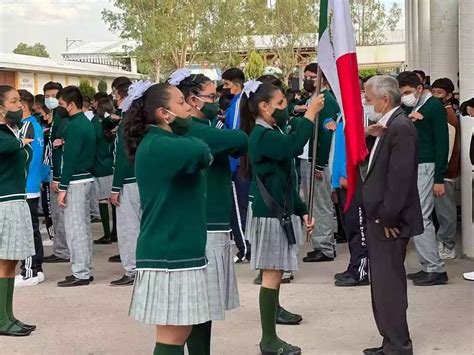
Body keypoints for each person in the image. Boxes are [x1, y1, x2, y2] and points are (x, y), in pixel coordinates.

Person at [124, 82, 212, 355]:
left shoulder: (164, 141)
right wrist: (192, 130)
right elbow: (201, 151)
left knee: (180, 329)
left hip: (177, 249)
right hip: (168, 253)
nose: (190, 108)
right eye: (182, 103)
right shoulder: (158, 144)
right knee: (172, 334)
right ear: (164, 113)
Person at [171, 70, 248, 354]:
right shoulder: (192, 130)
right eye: (212, 96)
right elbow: (240, 141)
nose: (219, 100)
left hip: (212, 224)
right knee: (198, 307)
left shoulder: (206, 129)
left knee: (206, 307)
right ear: (193, 100)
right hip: (203, 226)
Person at [241, 80, 321, 355]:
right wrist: (309, 116)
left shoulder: (272, 129)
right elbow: (291, 148)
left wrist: (302, 209)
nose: (286, 109)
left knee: (273, 271)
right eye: (281, 104)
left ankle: (275, 310)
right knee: (272, 274)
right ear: (264, 107)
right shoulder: (263, 136)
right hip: (269, 215)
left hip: (279, 211)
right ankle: (268, 340)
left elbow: (286, 181)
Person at [361, 75, 424, 355]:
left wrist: (388, 217)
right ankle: (389, 340)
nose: (366, 102)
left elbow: (399, 178)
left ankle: (398, 345)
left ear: (385, 99)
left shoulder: (401, 127)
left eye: (369, 98)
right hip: (380, 217)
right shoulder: (388, 125)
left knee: (390, 286)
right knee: (382, 285)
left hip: (389, 221)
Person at [397, 71, 449, 286]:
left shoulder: (434, 107)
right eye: (402, 94)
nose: (405, 97)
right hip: (416, 165)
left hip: (427, 166)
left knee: (422, 216)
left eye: (408, 92)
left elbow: (442, 143)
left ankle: (434, 268)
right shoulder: (414, 107)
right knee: (417, 215)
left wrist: (439, 177)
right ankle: (428, 265)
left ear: (419, 88)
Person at [0, 85, 36, 336]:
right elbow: (11, 150)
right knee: (3, 263)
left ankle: (8, 315)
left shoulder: (9, 131)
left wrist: (21, 142)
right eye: (13, 101)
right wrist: (21, 143)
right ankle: (2, 320)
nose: (19, 105)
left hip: (16, 200)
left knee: (11, 262)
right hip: (4, 202)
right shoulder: (5, 136)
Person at [294, 63, 339, 263]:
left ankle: (326, 247)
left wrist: (319, 163)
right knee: (313, 203)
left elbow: (325, 132)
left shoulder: (325, 100)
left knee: (321, 204)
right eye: (306, 76)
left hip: (316, 161)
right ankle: (320, 244)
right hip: (306, 158)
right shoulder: (310, 99)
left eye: (312, 76)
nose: (307, 79)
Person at [56, 86, 96, 287]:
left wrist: (62, 187)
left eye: (61, 104)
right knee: (83, 227)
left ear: (72, 104)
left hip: (75, 180)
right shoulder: (84, 123)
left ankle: (80, 272)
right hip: (84, 178)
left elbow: (70, 159)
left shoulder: (75, 126)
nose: (59, 108)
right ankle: (84, 269)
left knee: (75, 229)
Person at [324, 115, 369, 287]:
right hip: (341, 182)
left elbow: (356, 149)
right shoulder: (341, 114)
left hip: (351, 181)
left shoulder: (358, 113)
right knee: (350, 228)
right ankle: (354, 266)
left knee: (359, 229)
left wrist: (348, 176)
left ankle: (361, 272)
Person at [109, 81, 140, 285]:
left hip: (128, 181)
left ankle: (132, 270)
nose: (115, 100)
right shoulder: (141, 119)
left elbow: (122, 156)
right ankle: (143, 266)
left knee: (129, 227)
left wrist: (115, 187)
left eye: (116, 96)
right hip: (142, 179)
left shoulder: (126, 122)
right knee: (141, 225)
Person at [14, 90, 45, 287]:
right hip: (31, 183)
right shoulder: (35, 126)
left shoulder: (27, 127)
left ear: (22, 106)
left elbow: (23, 158)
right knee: (31, 228)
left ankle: (30, 271)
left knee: (27, 231)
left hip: (26, 185)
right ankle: (35, 269)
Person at [222, 68, 251, 263]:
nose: (224, 89)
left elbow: (235, 135)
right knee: (242, 207)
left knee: (239, 210)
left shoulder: (239, 103)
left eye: (226, 85)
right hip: (242, 162)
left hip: (238, 163)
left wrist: (233, 165)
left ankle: (245, 249)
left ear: (236, 85)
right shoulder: (240, 102)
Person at [431, 78, 460, 260]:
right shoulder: (441, 112)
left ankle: (447, 245)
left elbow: (447, 148)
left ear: (449, 95)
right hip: (441, 171)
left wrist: (440, 174)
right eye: (433, 92)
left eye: (440, 93)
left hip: (444, 173)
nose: (435, 96)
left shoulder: (448, 116)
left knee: (445, 211)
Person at [43, 81, 70, 264]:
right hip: (53, 169)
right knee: (56, 213)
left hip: (58, 172)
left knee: (60, 213)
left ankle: (63, 251)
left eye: (54, 96)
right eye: (47, 96)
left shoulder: (61, 117)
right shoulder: (52, 116)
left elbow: (60, 147)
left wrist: (58, 177)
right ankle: (61, 248)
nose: (50, 99)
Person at [90, 98, 116, 248]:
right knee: (113, 201)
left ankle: (107, 234)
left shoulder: (96, 123)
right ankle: (114, 232)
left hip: (99, 166)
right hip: (111, 165)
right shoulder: (113, 124)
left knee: (102, 200)